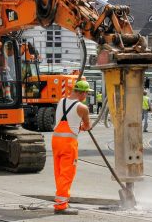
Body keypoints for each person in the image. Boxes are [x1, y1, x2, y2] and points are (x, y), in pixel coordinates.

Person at [52, 80, 92, 215]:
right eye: (87, 93)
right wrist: (83, 126)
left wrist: (77, 125)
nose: (87, 96)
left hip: (56, 141)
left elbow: (67, 119)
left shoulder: (61, 101)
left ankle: (60, 200)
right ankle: (61, 205)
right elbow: (87, 126)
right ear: (83, 93)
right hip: (68, 143)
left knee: (59, 171)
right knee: (67, 173)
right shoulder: (82, 108)